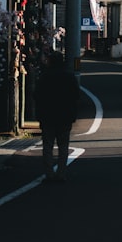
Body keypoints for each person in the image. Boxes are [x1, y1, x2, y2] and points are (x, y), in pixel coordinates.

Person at [34, 50, 80, 182]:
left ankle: (49, 174)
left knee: (47, 146)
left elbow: (36, 95)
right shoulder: (69, 76)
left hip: (47, 115)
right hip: (65, 115)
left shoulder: (44, 76)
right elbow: (76, 95)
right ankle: (61, 174)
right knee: (63, 146)